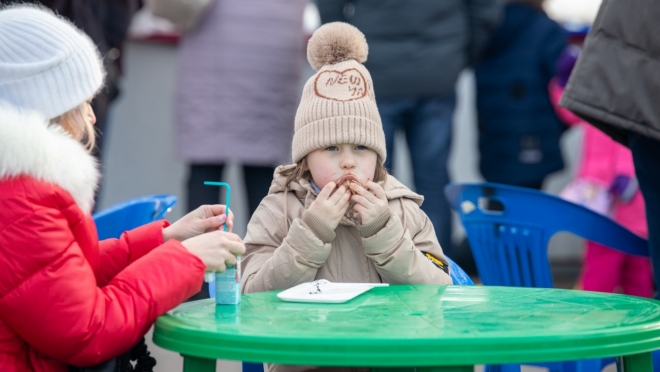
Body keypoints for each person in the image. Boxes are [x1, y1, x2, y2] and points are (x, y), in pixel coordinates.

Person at [0, 5, 245, 371]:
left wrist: (168, 240)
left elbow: (65, 273)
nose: (93, 116)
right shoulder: (22, 201)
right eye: (83, 102)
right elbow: (90, 330)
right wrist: (186, 260)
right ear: (49, 108)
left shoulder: (18, 190)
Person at [242, 21, 451, 297]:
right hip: (306, 340)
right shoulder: (277, 211)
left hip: (383, 340)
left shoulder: (403, 210)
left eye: (361, 147)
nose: (348, 162)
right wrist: (311, 233)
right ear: (305, 157)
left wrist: (385, 235)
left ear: (378, 155)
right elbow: (251, 296)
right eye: (331, 148)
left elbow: (441, 292)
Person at [315, 0, 502, 256]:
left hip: (376, 68)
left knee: (368, 183)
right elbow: (485, 9)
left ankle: (373, 275)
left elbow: (330, 7)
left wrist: (347, 57)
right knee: (433, 184)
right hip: (438, 67)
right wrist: (458, 54)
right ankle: (440, 275)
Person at [559, 0, 660, 298]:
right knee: (599, 279)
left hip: (634, 205)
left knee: (640, 279)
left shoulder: (625, 96)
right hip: (601, 202)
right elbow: (568, 112)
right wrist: (561, 81)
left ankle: (641, 340)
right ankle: (596, 333)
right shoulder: (604, 99)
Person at [475, 0, 567, 190]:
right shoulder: (546, 29)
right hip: (535, 141)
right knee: (531, 210)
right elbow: (565, 87)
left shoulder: (486, 27)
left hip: (493, 140)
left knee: (499, 208)